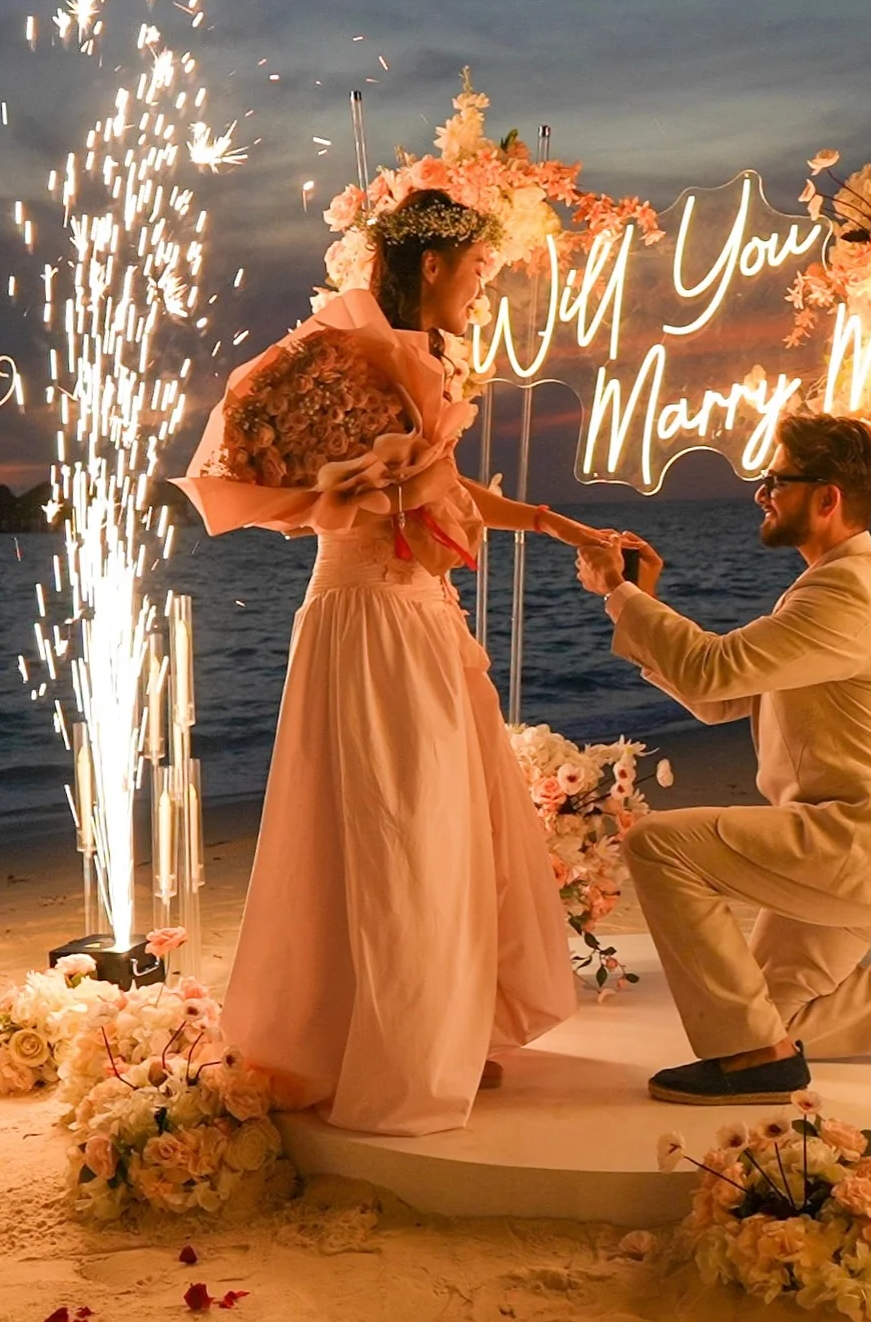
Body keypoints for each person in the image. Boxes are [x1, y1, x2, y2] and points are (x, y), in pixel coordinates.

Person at [192, 191, 604, 1136]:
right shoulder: (361, 365)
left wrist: (552, 522)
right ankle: (398, 1052)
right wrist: (350, 477)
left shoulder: (415, 368)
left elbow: (444, 485)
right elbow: (384, 483)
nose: (479, 291)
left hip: (413, 612)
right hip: (368, 618)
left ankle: (438, 1032)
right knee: (393, 832)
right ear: (432, 266)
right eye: (475, 272)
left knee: (443, 828)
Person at [575, 412, 871, 1105]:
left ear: (826, 497)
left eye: (774, 481)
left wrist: (618, 593)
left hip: (858, 841)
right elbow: (721, 697)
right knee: (769, 1019)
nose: (762, 495)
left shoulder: (844, 592)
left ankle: (753, 1060)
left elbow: (714, 671)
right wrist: (637, 602)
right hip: (863, 844)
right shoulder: (840, 584)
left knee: (660, 847)